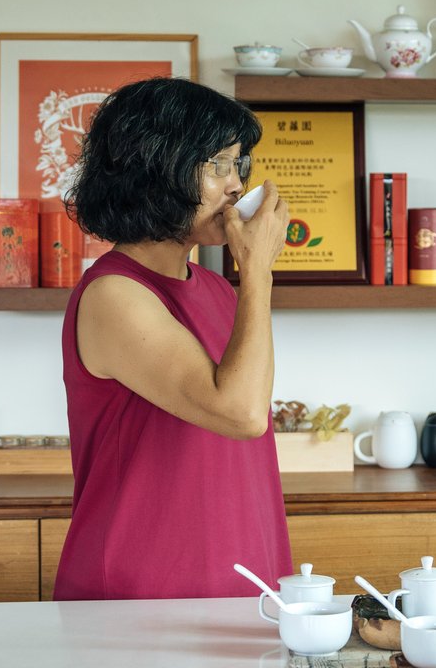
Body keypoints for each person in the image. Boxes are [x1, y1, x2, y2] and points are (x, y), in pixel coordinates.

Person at [54, 77, 293, 600]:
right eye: (216, 165)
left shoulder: (213, 287)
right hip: (144, 584)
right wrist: (258, 272)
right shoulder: (115, 293)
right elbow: (241, 413)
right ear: (155, 166)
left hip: (235, 569)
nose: (236, 186)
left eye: (239, 165)